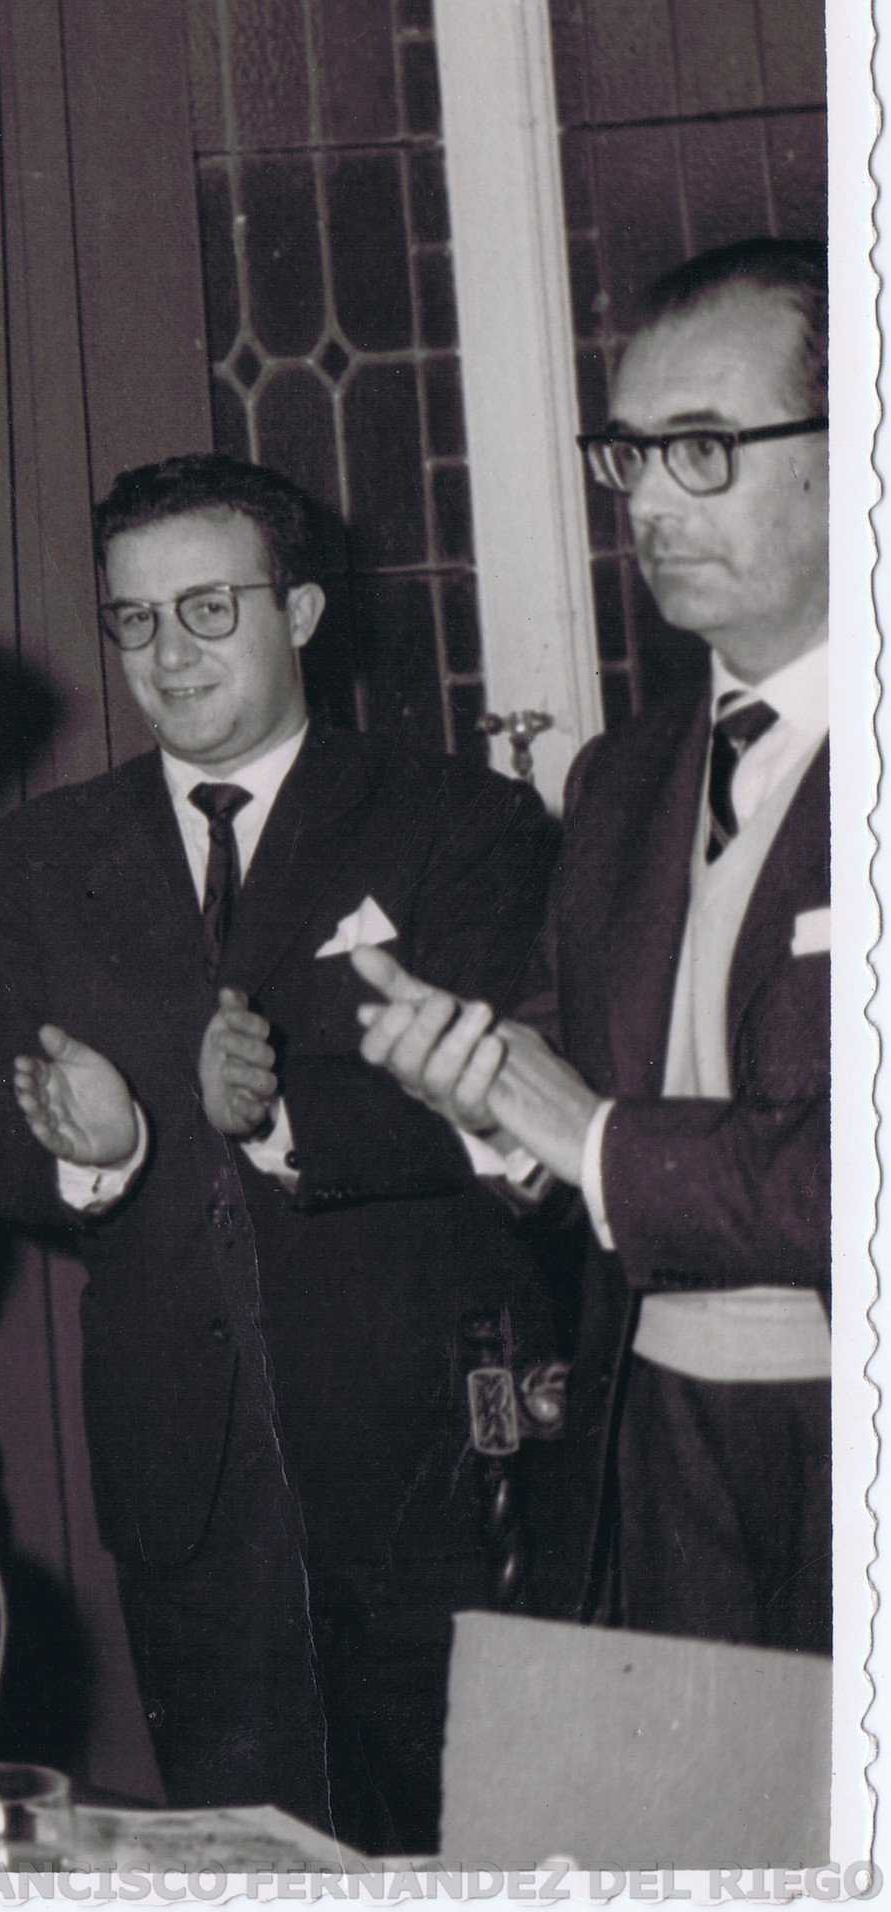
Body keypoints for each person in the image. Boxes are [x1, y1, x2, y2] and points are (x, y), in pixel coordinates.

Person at [0, 453, 571, 1855]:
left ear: (300, 612)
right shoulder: (40, 859)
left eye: (209, 609)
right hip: (187, 1475)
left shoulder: (460, 822)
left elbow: (516, 1101)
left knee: (469, 1849)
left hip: (427, 1456)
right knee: (248, 1855)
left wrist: (284, 1113)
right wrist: (97, 1154)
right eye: (134, 619)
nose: (167, 654)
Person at [352, 239, 829, 1656]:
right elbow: (559, 1093)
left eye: (704, 450)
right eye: (631, 456)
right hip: (653, 1440)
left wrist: (587, 1134)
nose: (651, 504)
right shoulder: (619, 781)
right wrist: (483, 1097)